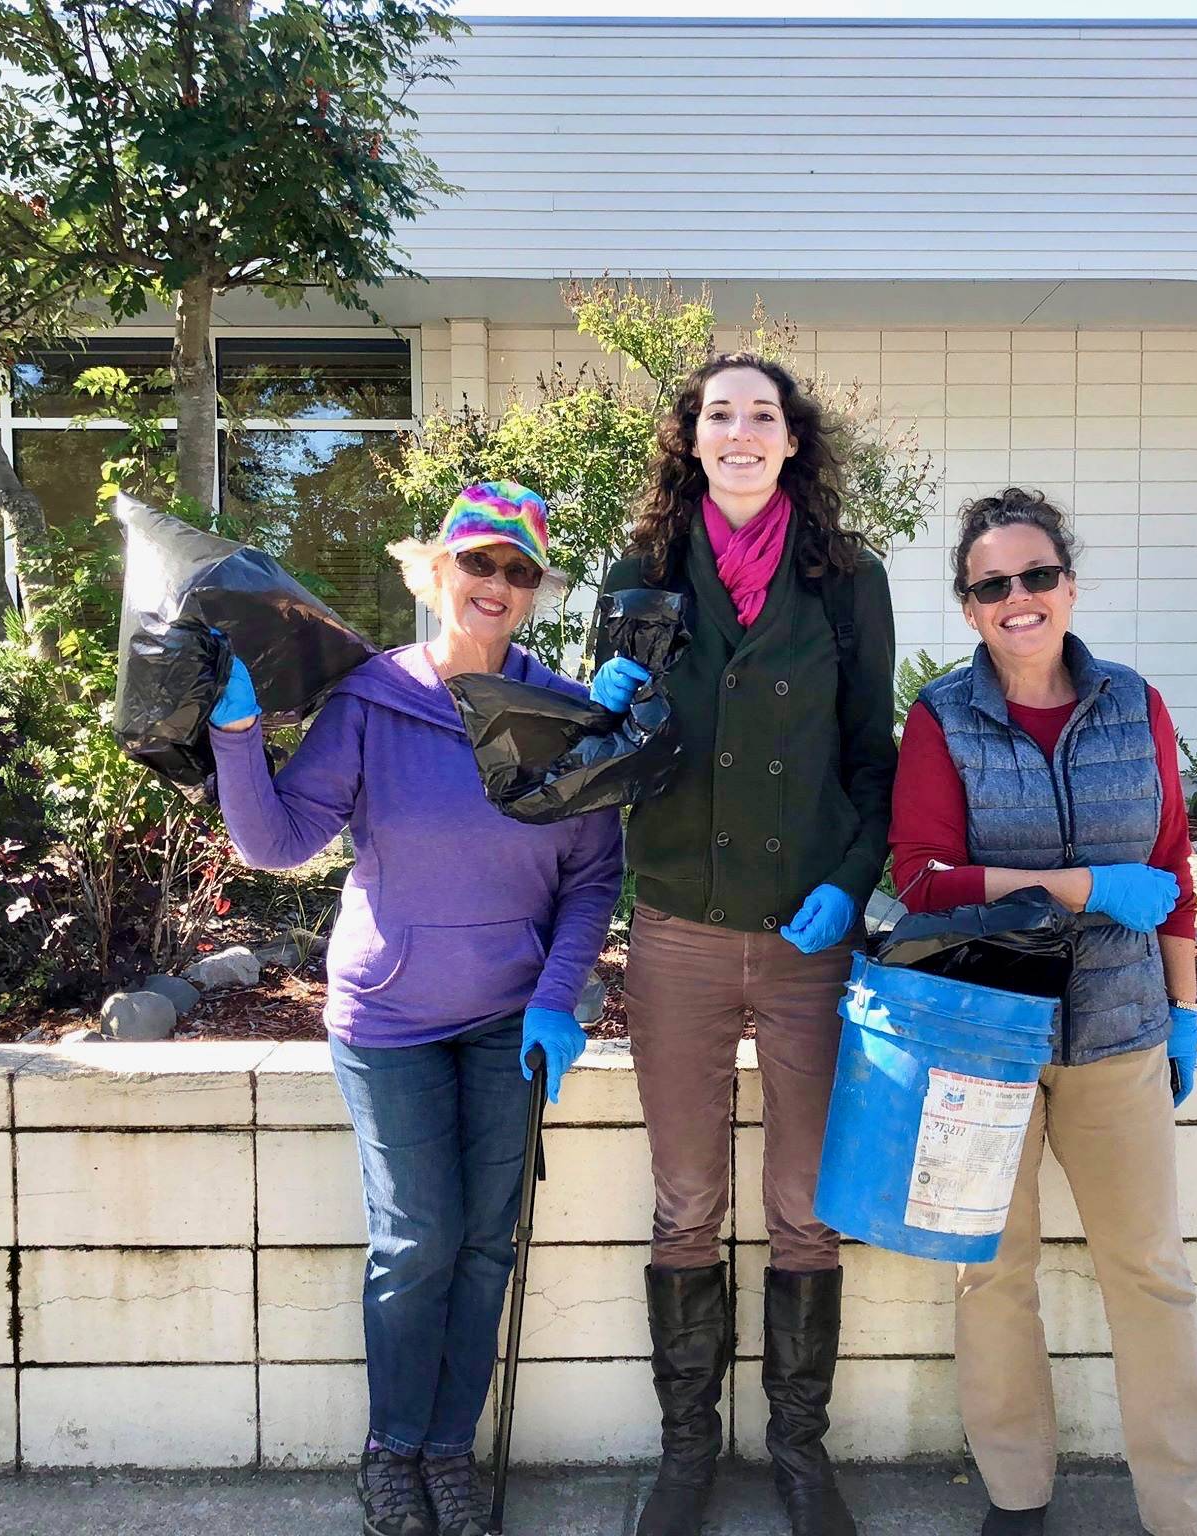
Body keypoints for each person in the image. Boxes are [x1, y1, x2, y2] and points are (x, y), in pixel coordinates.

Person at [208, 482, 623, 1536]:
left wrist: (555, 997)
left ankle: (448, 1452)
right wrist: (239, 734)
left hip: (508, 1021)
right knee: (417, 1240)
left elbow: (590, 876)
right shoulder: (371, 700)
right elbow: (278, 842)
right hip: (388, 1017)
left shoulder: (561, 716)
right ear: (434, 570)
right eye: (478, 562)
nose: (494, 585)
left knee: (486, 1242)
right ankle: (391, 1448)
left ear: (533, 595)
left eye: (517, 572)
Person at [588, 353, 897, 1536]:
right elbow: (595, 757)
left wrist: (847, 884)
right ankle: (685, 1452)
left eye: (761, 414)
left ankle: (798, 1453)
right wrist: (601, 694)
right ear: (691, 436)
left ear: (791, 441)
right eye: (720, 413)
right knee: (685, 1201)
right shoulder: (640, 571)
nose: (741, 431)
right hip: (677, 923)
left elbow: (873, 757)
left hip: (808, 931)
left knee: (806, 1204)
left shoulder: (846, 579)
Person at [888, 487, 1197, 1536]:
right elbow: (920, 877)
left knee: (1150, 1275)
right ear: (967, 606)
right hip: (983, 1033)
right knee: (992, 1276)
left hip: (1118, 1031)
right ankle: (1013, 1496)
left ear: (1069, 586)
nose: (1018, 598)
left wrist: (1183, 1010)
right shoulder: (941, 718)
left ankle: (1188, 1510)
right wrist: (1080, 886)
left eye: (1036, 576)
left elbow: (1170, 866)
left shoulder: (1135, 705)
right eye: (993, 585)